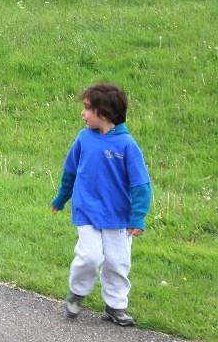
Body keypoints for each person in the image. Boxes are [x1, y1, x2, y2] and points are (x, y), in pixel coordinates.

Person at [51, 83, 151, 326]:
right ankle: (77, 293)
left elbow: (141, 185)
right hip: (87, 210)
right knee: (90, 256)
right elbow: (69, 172)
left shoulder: (127, 145)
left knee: (117, 261)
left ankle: (115, 306)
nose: (82, 113)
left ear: (104, 113)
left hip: (119, 216)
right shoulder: (84, 138)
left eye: (87, 108)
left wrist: (138, 217)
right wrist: (61, 198)